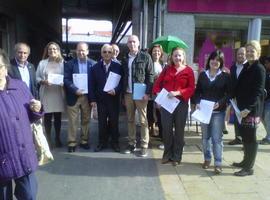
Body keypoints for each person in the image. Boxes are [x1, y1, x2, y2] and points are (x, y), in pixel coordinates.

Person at [0, 49, 43, 200]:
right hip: (2, 156)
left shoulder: (20, 86)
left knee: (29, 195)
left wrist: (37, 109)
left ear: (5, 67)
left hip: (23, 154)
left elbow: (33, 114)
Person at [153, 47, 195, 166]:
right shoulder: (167, 69)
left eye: (179, 55)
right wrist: (158, 99)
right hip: (166, 104)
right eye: (175, 55)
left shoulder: (188, 71)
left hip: (181, 104)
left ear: (183, 57)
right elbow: (157, 85)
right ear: (171, 57)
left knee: (179, 131)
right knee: (166, 130)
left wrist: (178, 92)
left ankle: (177, 156)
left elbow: (191, 88)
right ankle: (167, 155)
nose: (177, 58)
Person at [194, 50, 231, 174]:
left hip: (218, 113)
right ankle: (207, 158)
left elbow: (228, 94)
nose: (215, 62)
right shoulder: (203, 75)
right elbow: (197, 91)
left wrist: (220, 103)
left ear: (221, 63)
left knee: (216, 138)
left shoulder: (225, 76)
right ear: (209, 60)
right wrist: (197, 102)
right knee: (205, 138)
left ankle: (218, 163)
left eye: (218, 60)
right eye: (213, 59)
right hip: (204, 111)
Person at [233, 40, 265, 176]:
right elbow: (239, 86)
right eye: (248, 51)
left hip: (251, 110)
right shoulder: (247, 67)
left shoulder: (259, 69)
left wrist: (248, 108)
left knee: (251, 139)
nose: (250, 53)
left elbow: (258, 92)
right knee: (245, 137)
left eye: (253, 51)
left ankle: (249, 168)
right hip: (242, 109)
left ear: (258, 53)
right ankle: (245, 161)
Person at [122, 35, 154, 157]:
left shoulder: (145, 57)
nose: (132, 44)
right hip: (128, 93)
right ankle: (131, 143)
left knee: (143, 120)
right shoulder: (125, 58)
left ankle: (144, 145)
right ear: (127, 44)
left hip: (141, 92)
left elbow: (150, 75)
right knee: (130, 119)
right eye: (129, 42)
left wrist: (147, 93)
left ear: (138, 43)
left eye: (134, 41)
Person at [89, 44, 122, 152]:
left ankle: (115, 143)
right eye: (104, 52)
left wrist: (116, 90)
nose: (107, 54)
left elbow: (122, 83)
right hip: (101, 100)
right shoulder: (94, 67)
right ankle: (101, 143)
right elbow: (91, 84)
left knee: (114, 122)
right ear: (101, 53)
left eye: (109, 52)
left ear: (112, 53)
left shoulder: (118, 67)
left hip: (113, 99)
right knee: (101, 123)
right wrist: (93, 100)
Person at [64, 42, 96, 152]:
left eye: (83, 50)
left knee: (86, 120)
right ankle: (72, 142)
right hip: (74, 95)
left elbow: (95, 82)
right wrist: (75, 89)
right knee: (73, 120)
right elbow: (66, 79)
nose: (81, 52)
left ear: (87, 51)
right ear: (76, 51)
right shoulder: (69, 64)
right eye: (79, 50)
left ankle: (84, 140)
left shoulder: (93, 64)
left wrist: (94, 99)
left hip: (87, 97)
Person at [36, 42, 66, 148]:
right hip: (46, 93)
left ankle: (57, 138)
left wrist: (64, 82)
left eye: (54, 49)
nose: (52, 51)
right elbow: (37, 78)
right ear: (47, 51)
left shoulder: (63, 63)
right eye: (50, 49)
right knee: (47, 117)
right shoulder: (42, 63)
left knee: (58, 118)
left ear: (58, 51)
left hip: (58, 93)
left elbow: (66, 77)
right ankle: (48, 139)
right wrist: (43, 82)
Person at [228, 47, 247, 145]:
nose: (240, 56)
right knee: (236, 119)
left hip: (245, 98)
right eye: (238, 54)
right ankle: (238, 138)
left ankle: (246, 141)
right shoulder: (233, 67)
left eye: (242, 54)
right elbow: (232, 82)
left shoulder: (249, 67)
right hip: (235, 98)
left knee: (245, 120)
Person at [147, 44, 164, 149]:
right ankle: (148, 135)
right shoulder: (148, 63)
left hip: (160, 93)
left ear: (161, 53)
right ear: (151, 52)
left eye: (158, 51)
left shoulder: (163, 64)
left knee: (160, 114)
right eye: (154, 51)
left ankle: (162, 134)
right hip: (150, 92)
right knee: (149, 113)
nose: (156, 53)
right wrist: (154, 78)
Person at [260, 56, 270, 145]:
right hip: (264, 99)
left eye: (268, 63)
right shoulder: (265, 72)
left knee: (267, 118)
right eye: (265, 63)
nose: (266, 64)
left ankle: (269, 137)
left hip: (269, 101)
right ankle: (268, 134)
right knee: (263, 117)